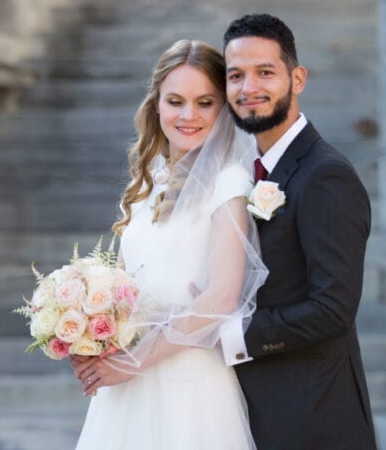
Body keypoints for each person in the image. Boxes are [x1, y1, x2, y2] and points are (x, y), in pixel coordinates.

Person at [71, 40, 267, 450]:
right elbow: (119, 288)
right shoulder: (145, 184)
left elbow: (223, 297)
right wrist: (88, 336)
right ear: (156, 104)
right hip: (126, 384)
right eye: (175, 101)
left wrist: (133, 362)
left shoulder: (228, 182)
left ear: (224, 109)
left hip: (188, 383)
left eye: (205, 102)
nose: (188, 115)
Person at [223, 13, 377, 450]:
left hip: (311, 418)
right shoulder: (243, 170)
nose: (248, 88)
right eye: (236, 75)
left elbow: (332, 309)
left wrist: (233, 335)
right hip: (251, 408)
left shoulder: (326, 175)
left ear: (298, 78)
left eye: (264, 73)